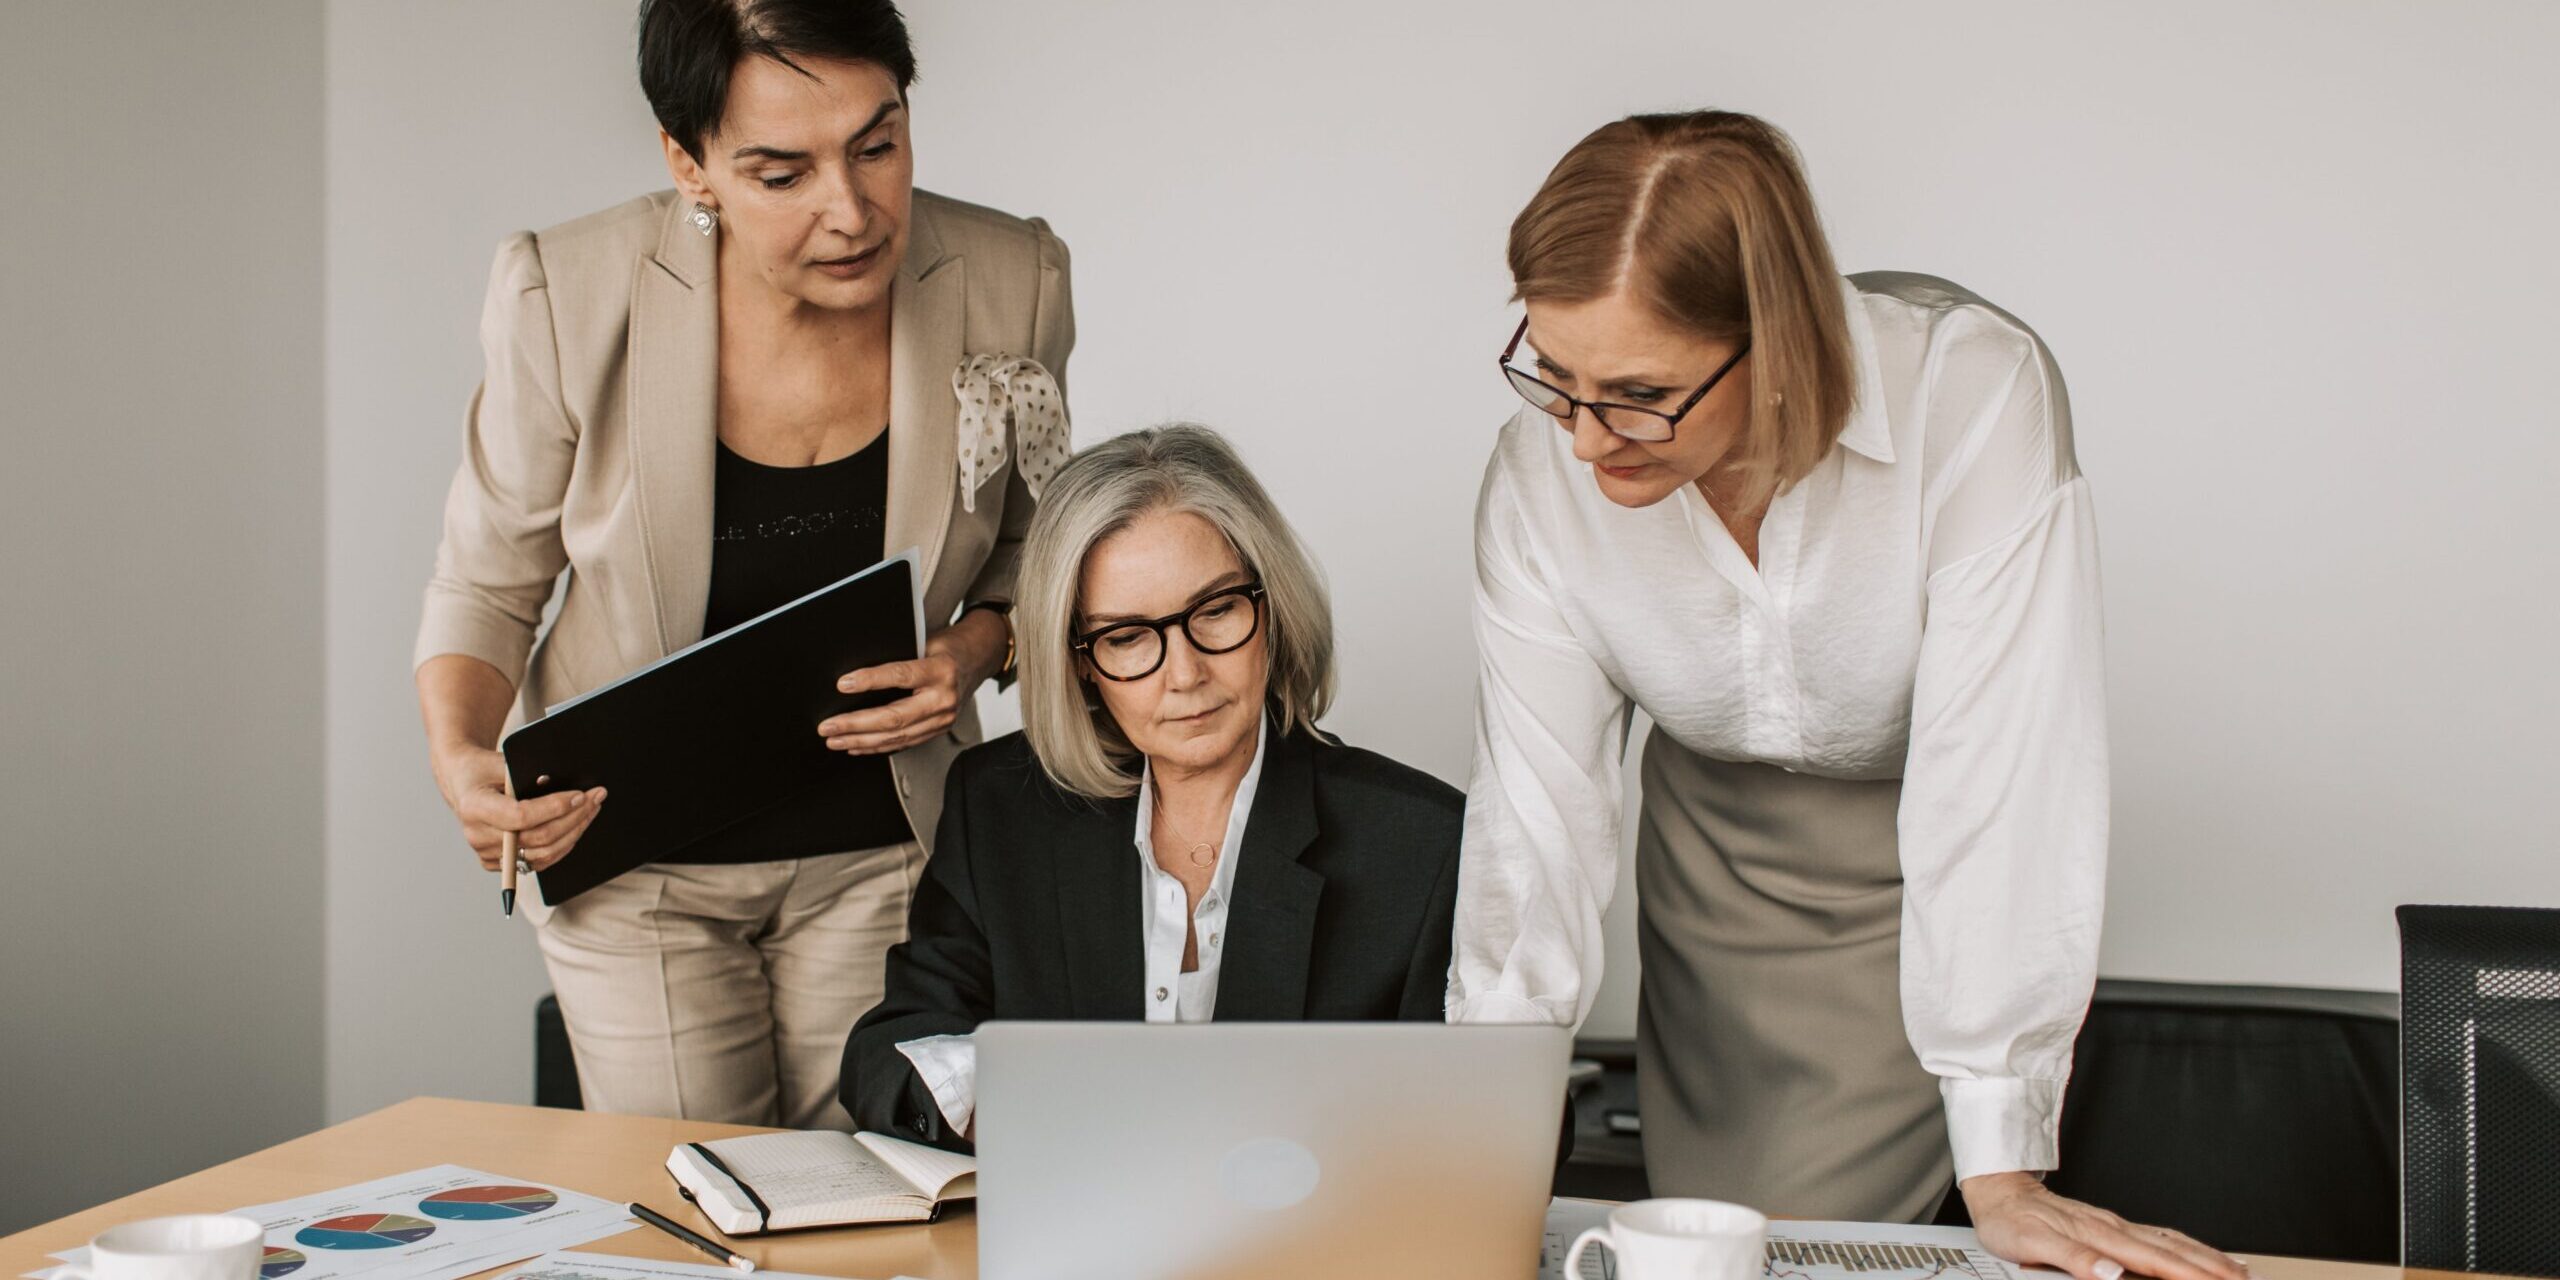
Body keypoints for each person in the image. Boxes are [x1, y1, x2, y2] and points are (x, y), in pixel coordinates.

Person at [1449, 110, 2244, 1280]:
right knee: (1728, 1236)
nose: (1580, 439)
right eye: (1551, 377)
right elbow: (1535, 822)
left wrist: (2005, 1159)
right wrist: (1484, 1146)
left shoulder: (1970, 395)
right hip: (1716, 870)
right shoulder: (1538, 478)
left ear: (1770, 338)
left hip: (1931, 852)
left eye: (1635, 393)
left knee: (1901, 1235)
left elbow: (2000, 777)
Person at [412, 0, 1073, 1129]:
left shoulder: (1014, 274)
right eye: (782, 172)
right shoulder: (563, 293)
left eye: (878, 143)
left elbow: (1042, 545)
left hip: (887, 844)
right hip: (633, 864)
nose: (852, 210)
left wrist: (970, 649)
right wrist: (463, 755)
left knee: (875, 1204)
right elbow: (487, 583)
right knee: (699, 1210)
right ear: (690, 161)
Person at [841, 425, 1462, 1150]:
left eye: (1217, 611)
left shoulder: (1423, 843)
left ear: (1273, 608)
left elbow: (1512, 1122)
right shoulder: (1000, 807)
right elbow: (889, 1049)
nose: (1186, 673)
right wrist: (1004, 1099)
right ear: (1079, 660)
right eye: (1128, 637)